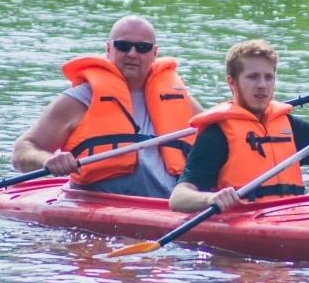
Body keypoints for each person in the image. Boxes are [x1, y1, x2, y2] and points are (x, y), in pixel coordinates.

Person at [169, 39, 309, 213]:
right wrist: (209, 200)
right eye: (253, 77)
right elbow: (178, 198)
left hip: (294, 217)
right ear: (232, 83)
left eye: (269, 77)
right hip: (246, 220)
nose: (262, 85)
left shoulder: (289, 125)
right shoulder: (217, 133)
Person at [11, 15, 203, 198]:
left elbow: (222, 140)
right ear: (108, 49)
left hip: (164, 207)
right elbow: (22, 150)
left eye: (142, 48)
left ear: (154, 53)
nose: (132, 54)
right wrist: (46, 160)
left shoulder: (179, 98)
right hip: (97, 203)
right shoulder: (81, 99)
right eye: (123, 46)